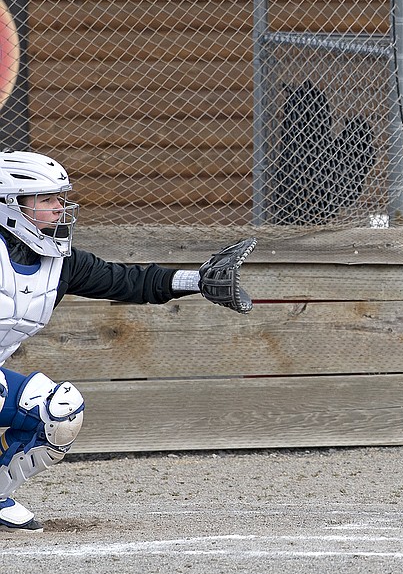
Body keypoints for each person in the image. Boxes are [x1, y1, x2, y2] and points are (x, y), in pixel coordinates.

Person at [0, 150, 254, 531]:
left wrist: (197, 281)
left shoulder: (59, 261)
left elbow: (127, 280)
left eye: (60, 197)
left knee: (61, 412)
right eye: (47, 199)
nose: (59, 208)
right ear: (10, 204)